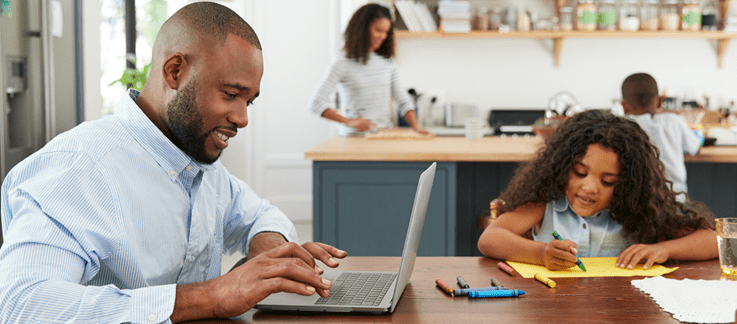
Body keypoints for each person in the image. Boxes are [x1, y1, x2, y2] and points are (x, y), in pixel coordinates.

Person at [0, 3, 347, 323]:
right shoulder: (79, 168)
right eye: (230, 94)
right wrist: (212, 296)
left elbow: (260, 215)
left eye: (249, 102)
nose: (242, 119)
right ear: (174, 71)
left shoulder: (196, 161)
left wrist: (268, 250)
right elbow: (22, 304)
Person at [477, 110, 717, 272]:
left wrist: (663, 249)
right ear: (562, 167)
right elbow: (490, 239)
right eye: (580, 173)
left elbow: (714, 241)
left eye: (609, 181)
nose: (590, 188)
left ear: (628, 184)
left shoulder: (640, 209)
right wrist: (541, 253)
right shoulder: (547, 201)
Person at [309, 3, 429, 136]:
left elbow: (403, 100)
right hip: (354, 139)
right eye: (378, 30)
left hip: (382, 136)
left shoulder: (388, 62)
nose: (382, 36)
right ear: (362, 29)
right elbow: (316, 102)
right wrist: (348, 121)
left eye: (386, 32)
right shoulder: (342, 62)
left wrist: (416, 127)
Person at [621, 73, 701, 197]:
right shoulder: (673, 121)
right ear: (660, 101)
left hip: (638, 200)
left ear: (624, 106)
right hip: (676, 197)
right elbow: (694, 146)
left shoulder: (623, 126)